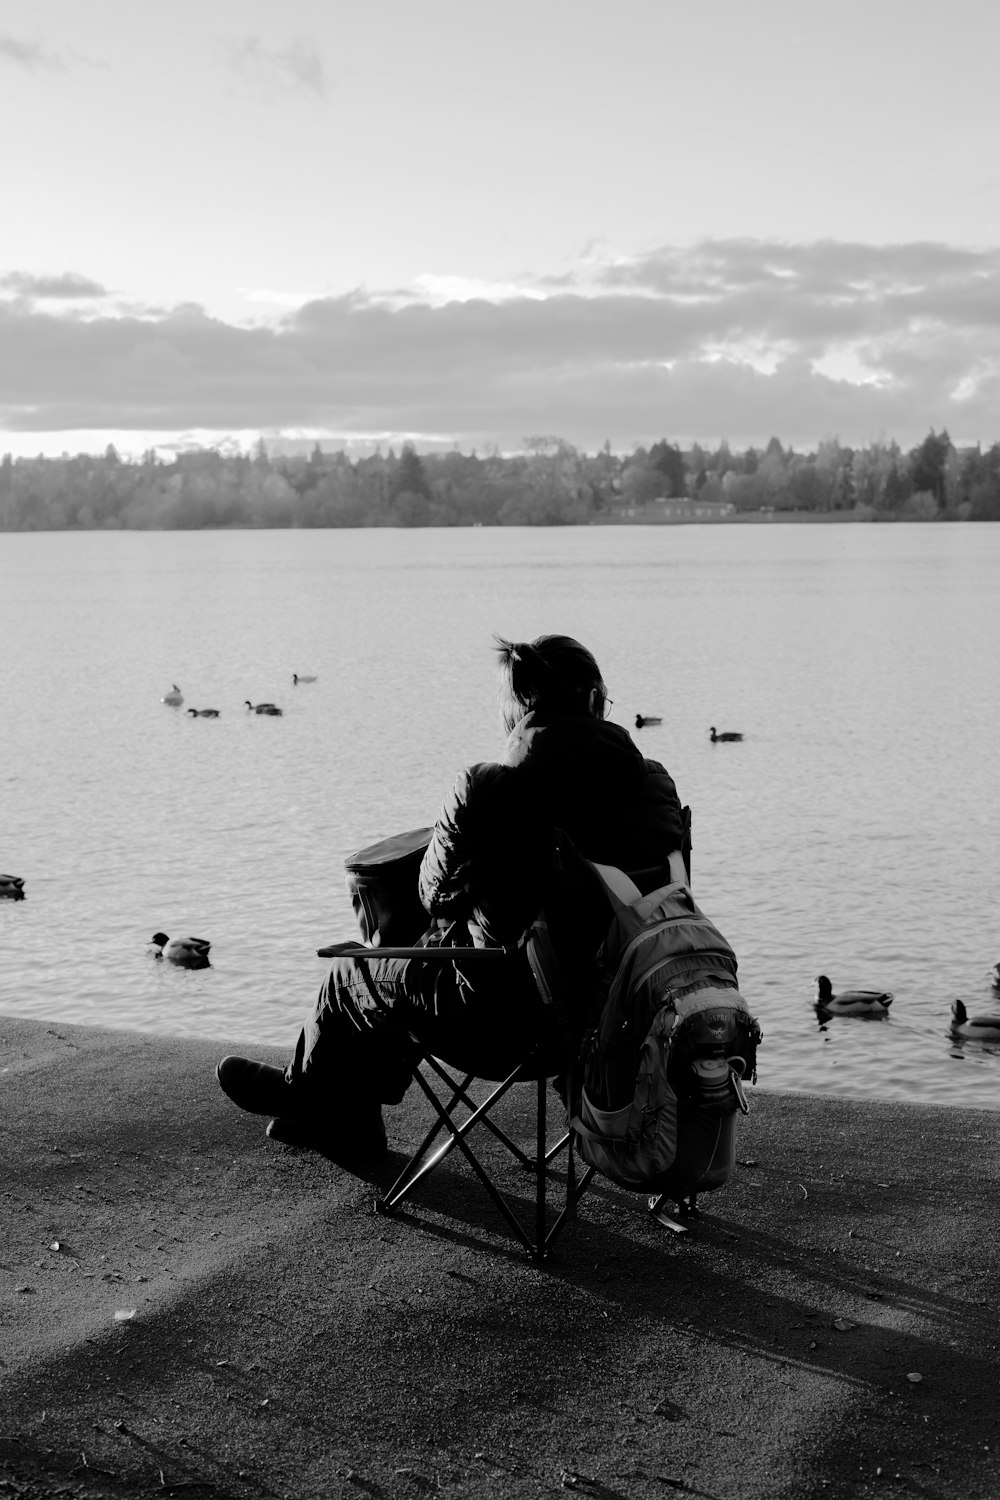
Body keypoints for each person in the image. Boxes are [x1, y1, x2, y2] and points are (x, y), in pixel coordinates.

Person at [216, 634, 686, 1158]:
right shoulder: (655, 786)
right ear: (597, 701)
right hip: (614, 1019)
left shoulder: (486, 787)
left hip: (503, 1027)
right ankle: (335, 1113)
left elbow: (432, 892)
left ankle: (305, 1095)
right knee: (421, 958)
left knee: (361, 971)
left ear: (516, 710)